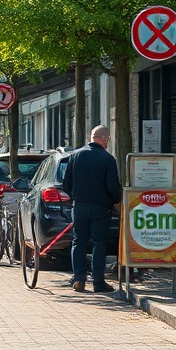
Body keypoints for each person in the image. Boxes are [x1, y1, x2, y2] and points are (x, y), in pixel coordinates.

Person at [63, 125, 122, 293]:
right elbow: (113, 187)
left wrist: (75, 197)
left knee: (78, 241)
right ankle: (98, 281)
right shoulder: (108, 159)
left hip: (80, 206)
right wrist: (114, 201)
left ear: (92, 137)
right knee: (99, 243)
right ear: (105, 139)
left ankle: (79, 279)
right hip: (100, 208)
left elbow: (66, 183)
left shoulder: (75, 155)